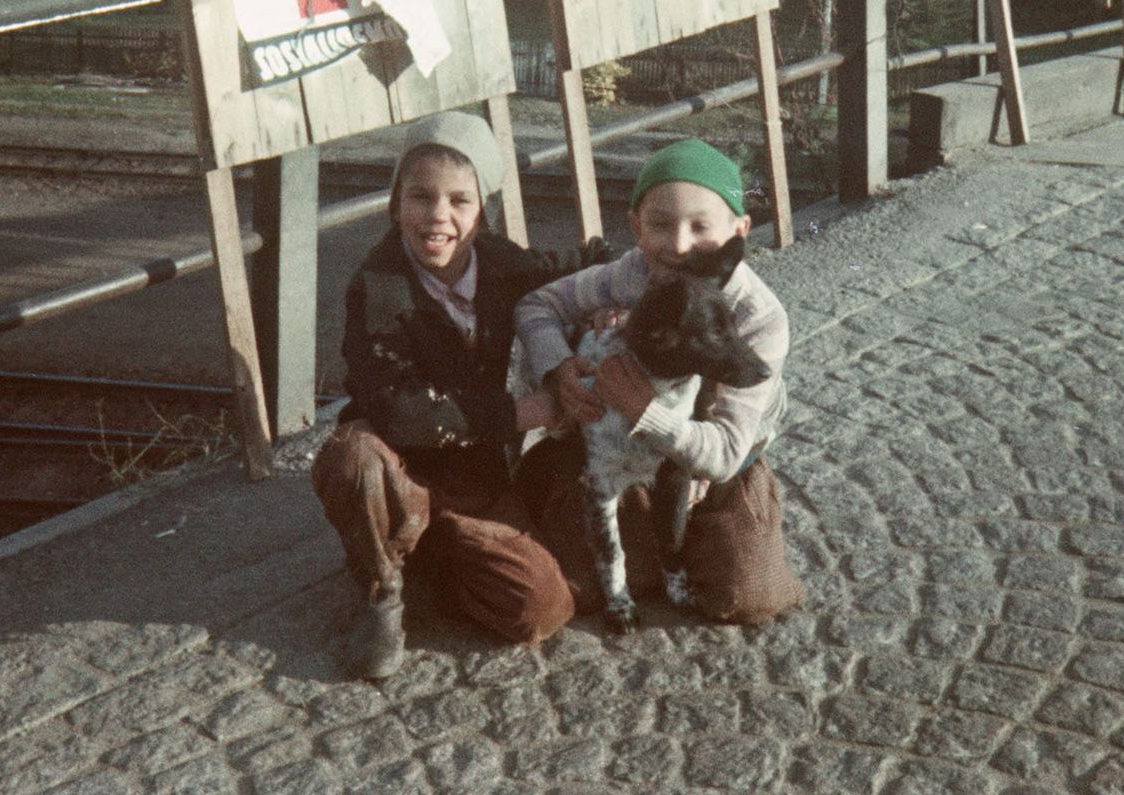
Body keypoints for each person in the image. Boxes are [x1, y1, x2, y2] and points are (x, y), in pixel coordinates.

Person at [310, 112, 591, 680]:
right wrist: (518, 411)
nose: (438, 216)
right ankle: (383, 590)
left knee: (541, 608)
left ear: (481, 211)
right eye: (420, 197)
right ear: (395, 205)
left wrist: (612, 296)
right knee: (352, 455)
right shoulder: (377, 283)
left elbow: (581, 267)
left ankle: (434, 559)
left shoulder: (502, 264)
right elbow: (397, 408)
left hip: (474, 477)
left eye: (459, 201)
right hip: (401, 461)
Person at [513, 139, 803, 626]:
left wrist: (645, 408)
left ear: (739, 230)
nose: (680, 245)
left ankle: (689, 527)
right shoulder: (629, 275)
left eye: (700, 226)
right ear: (636, 228)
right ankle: (571, 483)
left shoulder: (759, 315)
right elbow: (537, 305)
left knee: (747, 594)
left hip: (712, 461)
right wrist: (559, 366)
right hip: (627, 452)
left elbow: (727, 451)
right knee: (580, 586)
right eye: (661, 224)